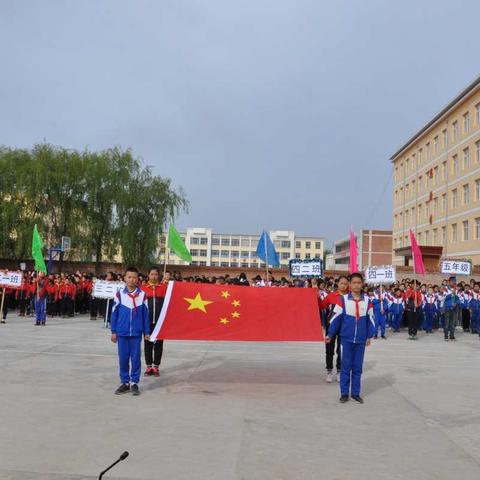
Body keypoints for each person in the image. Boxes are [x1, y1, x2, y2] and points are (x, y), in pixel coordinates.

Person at [326, 272, 375, 404]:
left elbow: (370, 320)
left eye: (359, 283)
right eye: (354, 282)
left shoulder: (367, 301)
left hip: (360, 340)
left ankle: (355, 393)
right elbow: (335, 318)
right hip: (346, 340)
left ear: (362, 284)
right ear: (350, 284)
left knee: (357, 367)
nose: (356, 285)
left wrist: (369, 335)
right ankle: (344, 393)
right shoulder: (343, 300)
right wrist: (330, 334)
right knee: (345, 367)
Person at [110, 266, 150, 396]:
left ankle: (134, 383)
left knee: (136, 358)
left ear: (138, 279)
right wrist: (114, 331)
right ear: (125, 278)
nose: (132, 279)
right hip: (122, 333)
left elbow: (145, 315)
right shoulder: (119, 295)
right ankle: (125, 382)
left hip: (136, 334)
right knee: (123, 358)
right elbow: (114, 314)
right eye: (129, 277)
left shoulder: (142, 295)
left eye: (134, 277)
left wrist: (147, 332)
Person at [320, 275, 349, 383]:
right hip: (330, 326)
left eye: (346, 284)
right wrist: (317, 296)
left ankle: (339, 371)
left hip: (344, 327)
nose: (343, 285)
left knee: (341, 350)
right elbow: (321, 306)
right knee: (329, 350)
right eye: (341, 283)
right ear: (337, 284)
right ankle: (329, 371)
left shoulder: (350, 297)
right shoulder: (330, 296)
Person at [141, 267, 167, 377]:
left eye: (156, 274)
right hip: (147, 322)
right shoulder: (142, 289)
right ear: (148, 275)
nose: (154, 276)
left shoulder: (164, 288)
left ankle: (156, 366)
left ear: (159, 275)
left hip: (160, 322)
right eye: (152, 274)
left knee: (159, 345)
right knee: (148, 344)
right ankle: (148, 367)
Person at [443, 276, 460, 341]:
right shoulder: (446, 289)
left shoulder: (456, 289)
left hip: (454, 308)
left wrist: (456, 303)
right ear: (449, 282)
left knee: (453, 323)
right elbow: (444, 298)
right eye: (452, 281)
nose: (454, 282)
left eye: (455, 281)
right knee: (447, 323)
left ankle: (452, 336)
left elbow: (459, 299)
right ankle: (446, 336)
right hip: (447, 307)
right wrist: (451, 294)